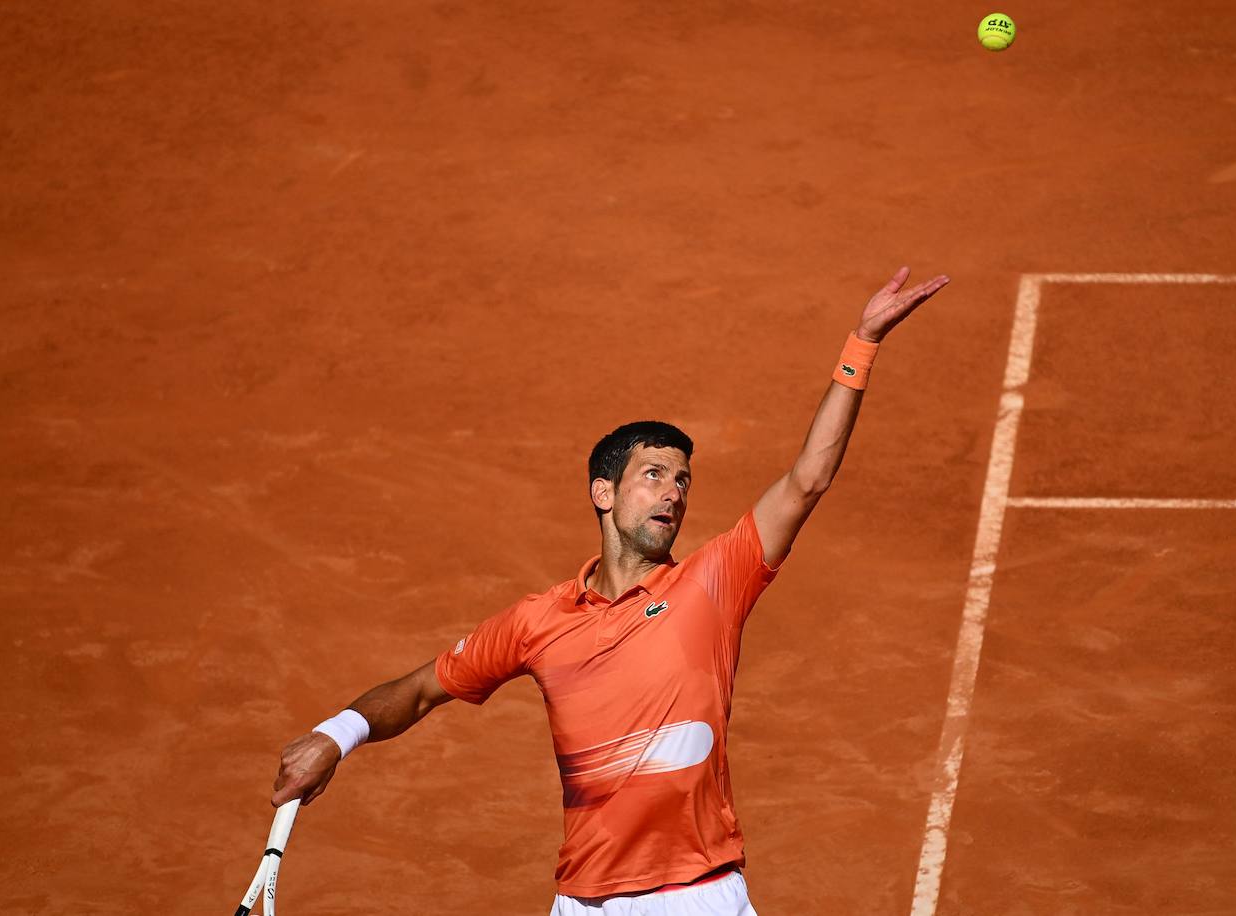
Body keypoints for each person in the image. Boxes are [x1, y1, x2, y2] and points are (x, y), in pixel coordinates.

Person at [271, 267, 950, 915]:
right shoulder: (538, 621)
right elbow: (421, 689)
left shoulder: (714, 581)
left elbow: (807, 480)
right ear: (604, 492)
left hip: (698, 895)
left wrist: (861, 345)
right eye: (654, 475)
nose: (674, 493)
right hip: (582, 902)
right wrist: (335, 736)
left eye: (682, 481)